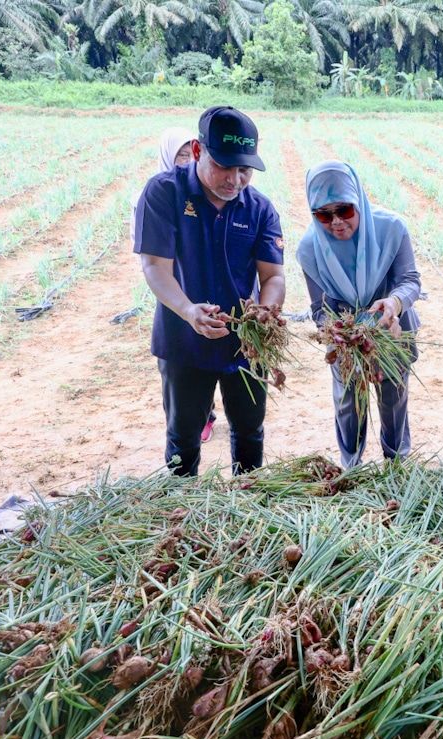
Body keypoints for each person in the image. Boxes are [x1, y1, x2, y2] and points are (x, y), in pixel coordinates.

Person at [134, 105, 286, 476]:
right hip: (183, 340)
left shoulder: (260, 208)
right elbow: (155, 267)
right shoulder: (164, 193)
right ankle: (180, 511)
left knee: (249, 432)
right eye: (224, 167)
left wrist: (265, 314)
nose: (235, 180)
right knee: (183, 437)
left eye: (244, 170)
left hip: (246, 343)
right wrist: (188, 311)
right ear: (199, 152)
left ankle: (248, 504)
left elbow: (273, 277)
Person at [297, 161, 420, 468]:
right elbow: (319, 309)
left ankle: (397, 463)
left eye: (345, 210)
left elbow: (410, 281)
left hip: (391, 329)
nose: (336, 222)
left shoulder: (391, 228)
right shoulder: (310, 249)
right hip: (346, 340)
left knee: (393, 397)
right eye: (324, 214)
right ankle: (352, 465)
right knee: (348, 402)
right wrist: (342, 334)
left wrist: (393, 304)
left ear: (359, 200)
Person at [130, 127, 221, 445]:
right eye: (178, 156)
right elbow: (151, 259)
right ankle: (189, 425)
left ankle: (206, 415)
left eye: (189, 155)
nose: (184, 162)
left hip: (215, 301)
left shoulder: (213, 195)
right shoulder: (156, 196)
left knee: (213, 361)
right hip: (176, 303)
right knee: (181, 371)